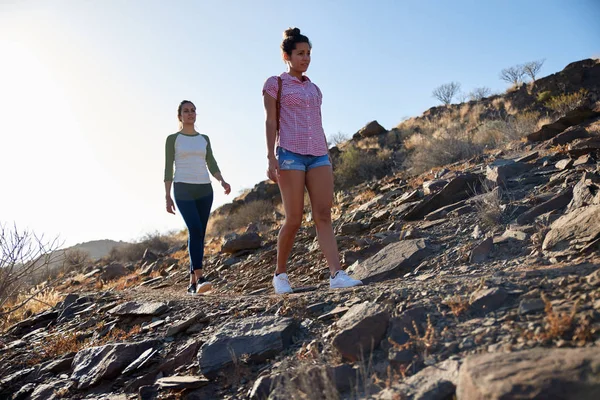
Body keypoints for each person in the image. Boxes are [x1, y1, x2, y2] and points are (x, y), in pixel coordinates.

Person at [262, 28, 363, 294]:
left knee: (323, 215)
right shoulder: (275, 83)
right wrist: (271, 156)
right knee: (294, 218)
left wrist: (326, 155)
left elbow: (316, 122)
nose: (305, 58)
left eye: (308, 53)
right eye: (300, 53)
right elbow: (271, 121)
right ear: (287, 55)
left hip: (319, 154)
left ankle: (336, 274)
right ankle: (280, 275)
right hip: (290, 154)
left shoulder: (314, 88)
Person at [164, 100, 231, 295]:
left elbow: (211, 162)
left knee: (199, 233)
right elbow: (168, 167)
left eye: (193, 110)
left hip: (204, 189)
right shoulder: (173, 139)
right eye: (186, 111)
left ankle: (192, 282)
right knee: (193, 228)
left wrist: (222, 181)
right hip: (183, 188)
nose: (190, 113)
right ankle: (201, 277)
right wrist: (167, 196)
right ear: (180, 116)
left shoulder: (204, 139)